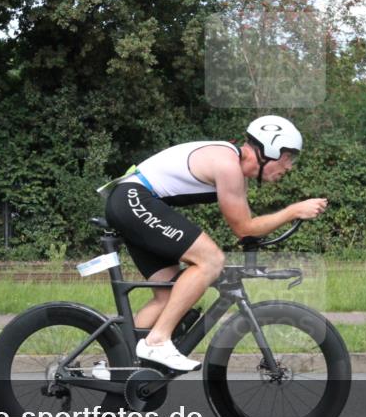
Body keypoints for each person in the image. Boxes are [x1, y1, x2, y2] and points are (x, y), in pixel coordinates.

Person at [101, 115, 328, 371]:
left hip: (131, 201)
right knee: (210, 260)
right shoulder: (228, 165)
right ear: (269, 150)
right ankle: (157, 341)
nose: (289, 167)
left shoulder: (234, 169)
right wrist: (292, 211)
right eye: (288, 157)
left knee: (168, 296)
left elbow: (247, 231)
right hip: (134, 199)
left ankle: (118, 366)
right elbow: (244, 228)